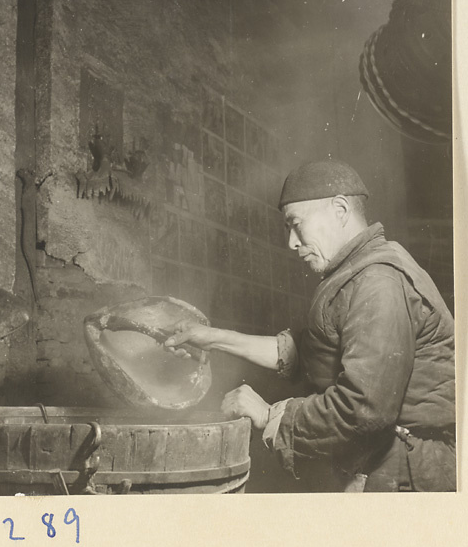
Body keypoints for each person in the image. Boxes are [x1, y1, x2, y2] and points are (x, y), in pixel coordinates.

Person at [165, 159, 456, 492]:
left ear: (340, 210)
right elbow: (313, 352)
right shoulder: (360, 270)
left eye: (296, 223)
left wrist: (269, 415)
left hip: (410, 477)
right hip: (391, 467)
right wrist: (212, 338)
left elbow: (362, 410)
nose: (291, 241)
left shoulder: (377, 281)